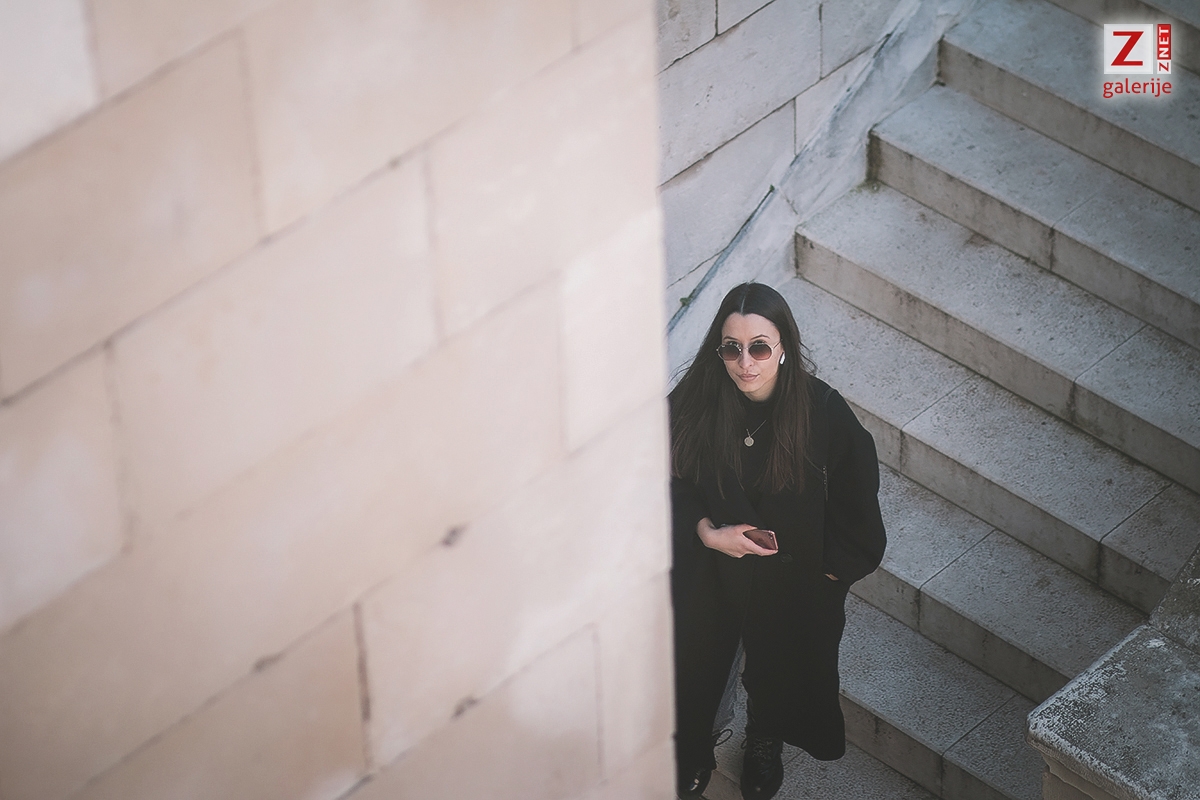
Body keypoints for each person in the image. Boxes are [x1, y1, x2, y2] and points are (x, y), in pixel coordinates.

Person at [668, 282, 886, 800]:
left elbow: (858, 499)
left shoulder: (823, 411)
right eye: (732, 348)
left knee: (781, 667)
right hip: (714, 567)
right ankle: (693, 749)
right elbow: (664, 479)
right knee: (698, 664)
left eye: (760, 347)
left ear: (784, 346)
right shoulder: (696, 401)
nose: (745, 363)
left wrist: (830, 571)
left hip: (792, 575)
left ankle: (764, 739)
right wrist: (706, 533)